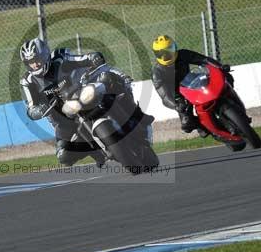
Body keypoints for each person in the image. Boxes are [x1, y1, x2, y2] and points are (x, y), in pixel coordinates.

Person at [20, 37, 133, 167]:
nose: (34, 65)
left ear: (44, 55)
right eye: (30, 62)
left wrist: (92, 57)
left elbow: (82, 59)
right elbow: (30, 108)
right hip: (61, 119)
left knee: (109, 83)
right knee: (64, 156)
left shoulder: (59, 59)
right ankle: (96, 152)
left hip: (81, 97)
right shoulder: (27, 81)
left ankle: (131, 114)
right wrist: (38, 111)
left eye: (36, 60)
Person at [150, 34, 233, 138]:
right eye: (163, 53)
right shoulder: (157, 72)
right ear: (157, 55)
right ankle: (205, 126)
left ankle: (232, 103)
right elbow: (164, 95)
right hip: (179, 96)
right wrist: (176, 105)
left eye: (170, 49)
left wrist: (220, 67)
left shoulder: (183, 54)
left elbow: (204, 60)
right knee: (187, 125)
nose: (168, 54)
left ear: (175, 47)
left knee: (226, 78)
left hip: (193, 82)